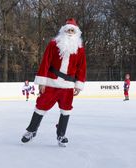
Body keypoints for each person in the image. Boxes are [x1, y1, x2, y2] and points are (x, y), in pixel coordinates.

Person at [21, 18, 87, 147]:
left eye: (72, 30)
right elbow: (45, 62)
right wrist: (42, 82)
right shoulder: (53, 44)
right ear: (63, 30)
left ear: (76, 33)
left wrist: (79, 85)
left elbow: (82, 68)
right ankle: (31, 130)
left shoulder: (80, 49)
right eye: (68, 29)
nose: (70, 32)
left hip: (68, 86)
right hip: (51, 83)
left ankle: (61, 135)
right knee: (40, 107)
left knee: (66, 110)